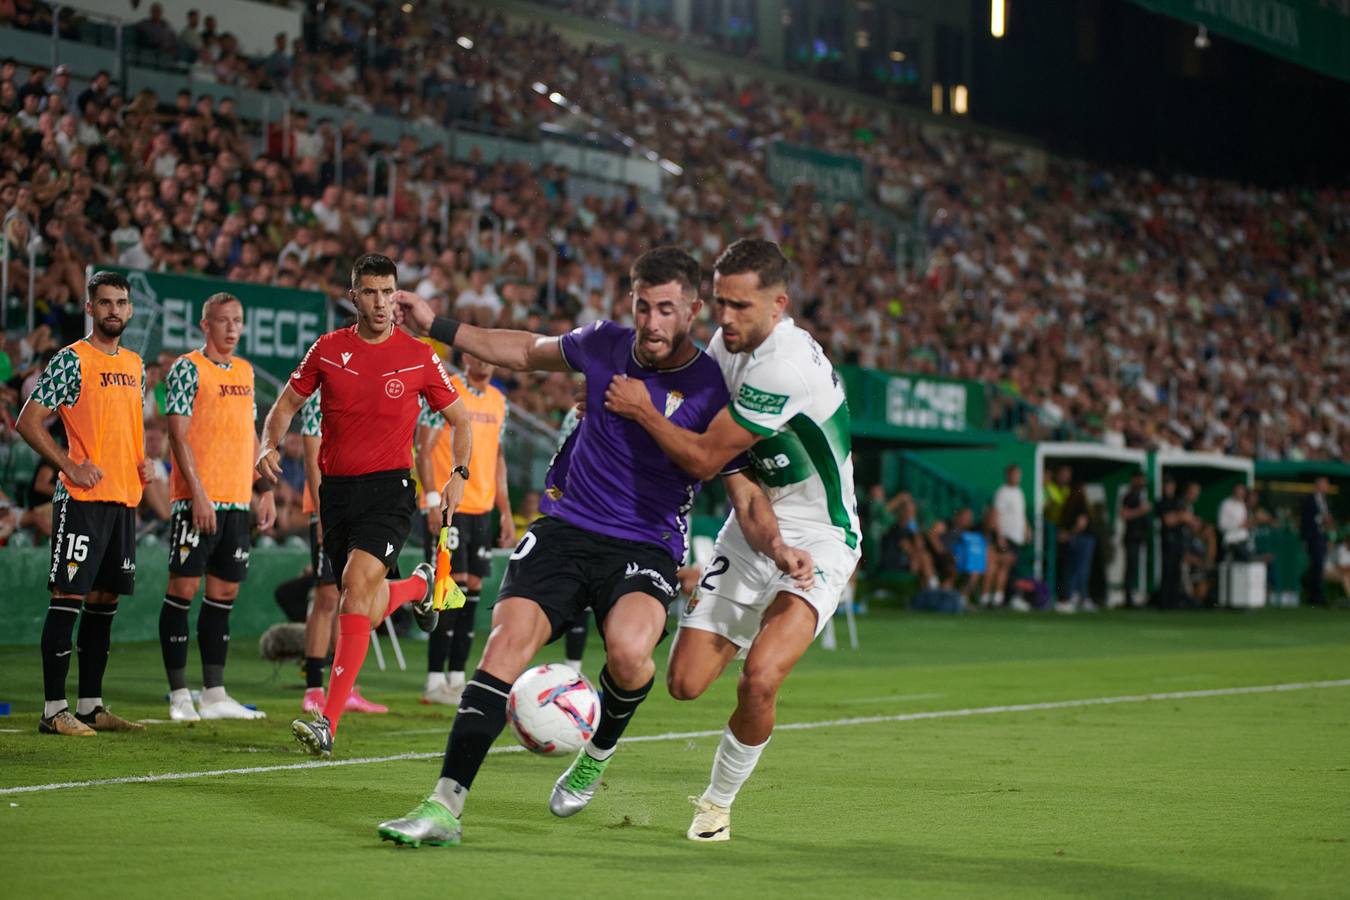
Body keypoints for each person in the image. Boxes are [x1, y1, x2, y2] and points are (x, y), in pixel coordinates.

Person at [378, 245, 808, 848]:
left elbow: (744, 493)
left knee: (631, 653)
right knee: (504, 645)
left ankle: (597, 751)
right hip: (565, 526)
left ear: (691, 311)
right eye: (641, 306)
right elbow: (528, 351)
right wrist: (438, 327)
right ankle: (443, 806)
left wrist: (779, 546)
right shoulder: (604, 342)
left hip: (646, 543)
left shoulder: (711, 387)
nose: (651, 322)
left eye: (665, 309)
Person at [603, 238, 859, 842]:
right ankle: (760, 628)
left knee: (761, 678)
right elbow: (727, 464)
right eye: (720, 302)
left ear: (778, 304)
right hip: (752, 525)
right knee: (685, 684)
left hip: (822, 536)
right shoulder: (729, 343)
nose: (726, 317)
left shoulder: (785, 365)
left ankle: (716, 805)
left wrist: (642, 410)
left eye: (741, 306)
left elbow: (703, 455)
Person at [256, 253, 472, 756]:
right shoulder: (328, 350)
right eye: (371, 292)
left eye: (389, 293)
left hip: (391, 493)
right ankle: (420, 585)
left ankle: (328, 720)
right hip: (336, 494)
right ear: (353, 296)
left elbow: (461, 421)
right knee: (367, 603)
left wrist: (458, 473)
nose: (381, 303)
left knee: (353, 589)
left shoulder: (418, 354)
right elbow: (286, 405)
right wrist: (268, 443)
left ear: (398, 296)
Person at [15, 270, 151, 736]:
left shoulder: (135, 365)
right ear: (90, 308)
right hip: (81, 500)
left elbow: (125, 427)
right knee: (67, 597)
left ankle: (91, 706)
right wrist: (69, 466)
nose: (115, 309)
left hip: (123, 499)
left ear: (130, 310)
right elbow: (28, 421)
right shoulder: (72, 361)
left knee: (104, 600)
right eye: (106, 302)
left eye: (122, 302)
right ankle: (54, 709)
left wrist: (142, 463)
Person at [160, 292, 277, 721]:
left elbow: (249, 435)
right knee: (183, 591)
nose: (231, 328)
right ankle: (178, 695)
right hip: (197, 501)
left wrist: (263, 488)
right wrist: (198, 494)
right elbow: (177, 435)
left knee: (223, 593)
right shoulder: (187, 369)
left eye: (238, 321)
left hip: (237, 500)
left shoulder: (245, 372)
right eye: (223, 321)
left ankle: (213, 693)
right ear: (205, 325)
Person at [415, 352, 516, 706]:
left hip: (482, 509)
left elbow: (498, 457)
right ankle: (433, 679)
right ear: (465, 357)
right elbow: (422, 449)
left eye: (487, 357)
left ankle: (457, 676)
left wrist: (504, 511)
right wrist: (429, 500)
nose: (484, 362)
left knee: (472, 591)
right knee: (447, 590)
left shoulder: (499, 401)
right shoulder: (446, 389)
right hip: (450, 505)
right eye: (476, 355)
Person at [298, 389, 385, 715]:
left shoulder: (366, 394)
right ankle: (313, 689)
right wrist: (323, 513)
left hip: (361, 510)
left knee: (350, 597)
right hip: (329, 509)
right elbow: (311, 457)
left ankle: (343, 688)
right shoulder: (319, 397)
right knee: (326, 598)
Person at [991, 464, 1030, 610]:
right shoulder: (1002, 492)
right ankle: (999, 598)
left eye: (1018, 474)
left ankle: (1010, 597)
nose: (1017, 477)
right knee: (1004, 567)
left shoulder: (1019, 492)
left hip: (1017, 537)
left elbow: (1021, 514)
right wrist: (1000, 536)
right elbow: (996, 514)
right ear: (1007, 475)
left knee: (1014, 569)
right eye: (1014, 474)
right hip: (1007, 536)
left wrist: (1027, 529)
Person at [1300, 476, 1334, 606]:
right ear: (1318, 485)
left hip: (1323, 536)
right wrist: (1321, 519)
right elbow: (1306, 519)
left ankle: (1316, 595)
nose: (1326, 486)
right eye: (1325, 484)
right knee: (1316, 566)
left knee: (1319, 567)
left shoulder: (1326, 500)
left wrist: (1329, 530)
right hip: (1313, 538)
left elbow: (1327, 519)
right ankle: (1315, 596)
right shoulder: (1309, 499)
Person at [1119, 471, 1150, 608]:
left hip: (1139, 537)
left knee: (1134, 568)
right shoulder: (1129, 496)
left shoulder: (1141, 496)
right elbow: (1124, 514)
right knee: (1130, 569)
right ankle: (1128, 599)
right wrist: (1141, 510)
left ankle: (1131, 597)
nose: (1142, 482)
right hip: (1131, 537)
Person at [1155, 478, 1184, 609]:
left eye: (1171, 485)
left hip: (1178, 541)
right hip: (1167, 541)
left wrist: (1179, 516)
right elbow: (1168, 520)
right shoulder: (1162, 502)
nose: (1169, 488)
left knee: (1176, 573)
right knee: (1167, 571)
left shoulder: (1177, 502)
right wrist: (1181, 516)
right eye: (1167, 485)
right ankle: (1165, 603)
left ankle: (1175, 602)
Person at [1217, 482, 1251, 561]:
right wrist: (1240, 525)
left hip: (1244, 541)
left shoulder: (1242, 505)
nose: (1241, 493)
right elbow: (1221, 526)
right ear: (1234, 491)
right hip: (1231, 542)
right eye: (1239, 491)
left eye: (1242, 491)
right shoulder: (1225, 504)